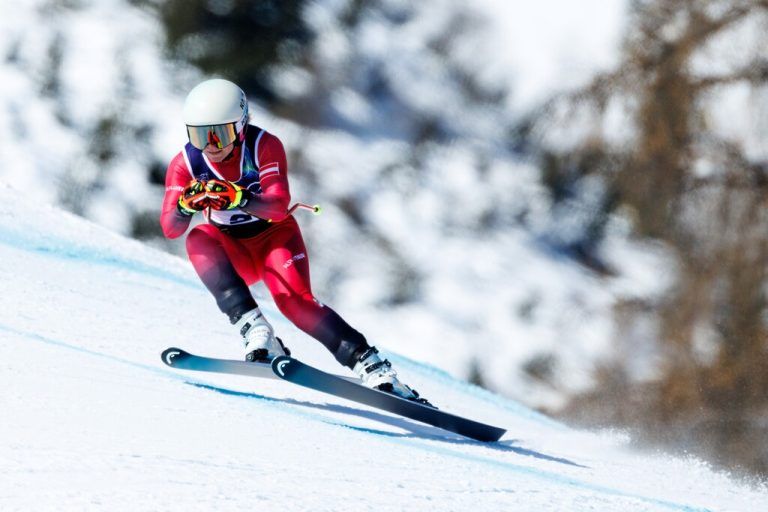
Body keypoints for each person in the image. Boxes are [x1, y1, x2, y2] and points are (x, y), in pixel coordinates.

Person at [160, 78, 425, 402]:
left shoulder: (263, 147)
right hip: (234, 250)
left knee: (295, 303)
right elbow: (170, 228)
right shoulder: (185, 164)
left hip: (274, 240)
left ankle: (374, 367)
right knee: (198, 237)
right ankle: (256, 330)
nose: (212, 144)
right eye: (202, 135)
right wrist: (185, 205)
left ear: (241, 126)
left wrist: (238, 196)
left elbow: (276, 205)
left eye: (221, 133)